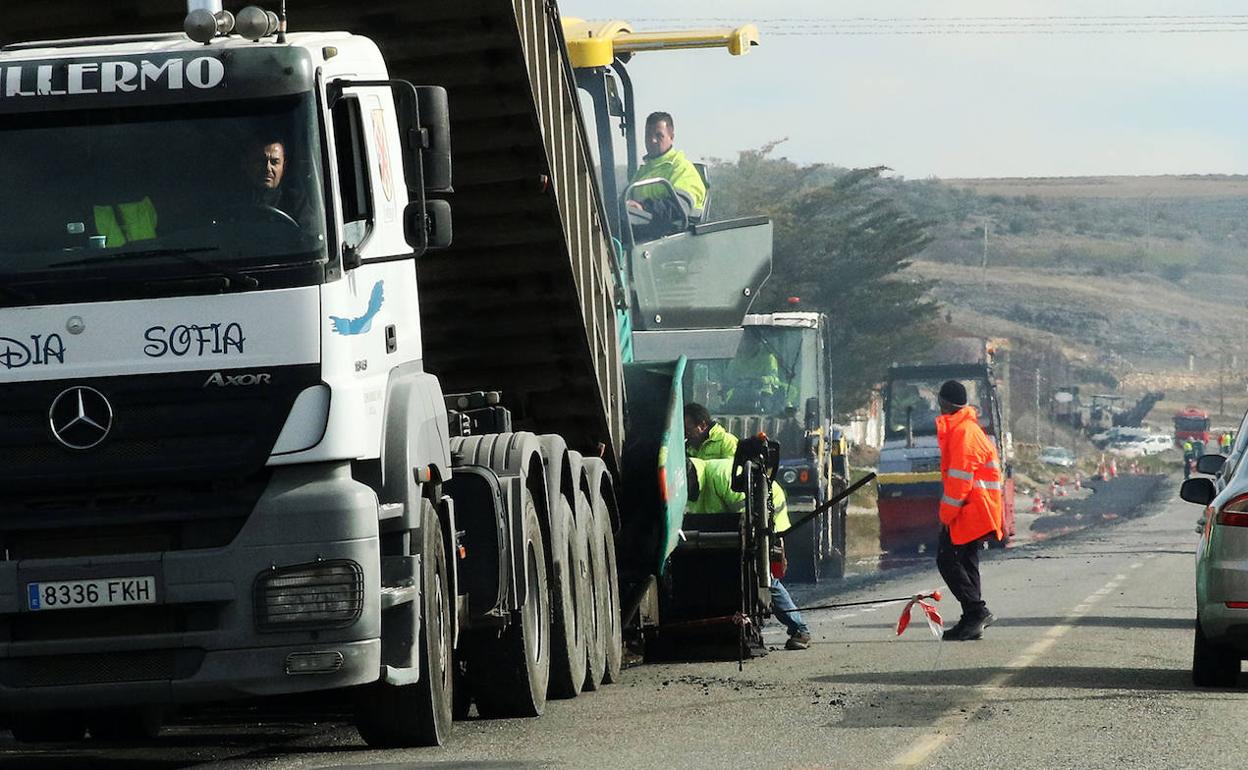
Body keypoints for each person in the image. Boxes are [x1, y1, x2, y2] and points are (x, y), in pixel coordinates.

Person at [687, 456, 811, 650]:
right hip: (735, 526)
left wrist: (752, 542)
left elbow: (751, 513)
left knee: (761, 574)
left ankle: (799, 629)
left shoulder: (721, 476)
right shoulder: (691, 488)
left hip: (766, 512)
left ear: (691, 477)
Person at [934, 380, 1004, 641]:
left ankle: (976, 611)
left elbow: (959, 482)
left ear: (945, 402)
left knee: (947, 559)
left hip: (970, 510)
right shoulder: (967, 429)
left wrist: (945, 516)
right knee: (966, 561)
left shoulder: (963, 432)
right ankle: (971, 618)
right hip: (977, 509)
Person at [625, 111, 707, 235]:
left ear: (671, 137)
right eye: (648, 135)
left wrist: (643, 208)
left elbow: (678, 208)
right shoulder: (643, 172)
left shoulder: (683, 169)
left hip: (673, 242)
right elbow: (625, 201)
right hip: (642, 237)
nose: (652, 140)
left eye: (659, 135)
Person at [241, 137, 315, 230]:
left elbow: (313, 237)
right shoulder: (233, 199)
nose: (268, 168)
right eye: (260, 161)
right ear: (246, 163)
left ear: (283, 167)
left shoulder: (296, 202)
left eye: (274, 162)